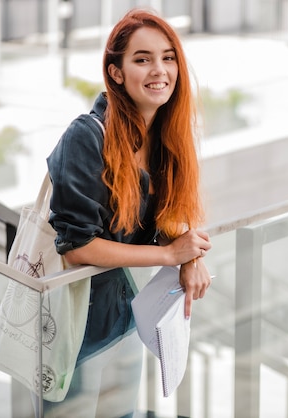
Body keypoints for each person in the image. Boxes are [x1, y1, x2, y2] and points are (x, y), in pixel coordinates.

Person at [42, 8, 212, 417]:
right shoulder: (86, 136)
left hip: (123, 321)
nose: (160, 70)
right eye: (143, 59)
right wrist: (171, 256)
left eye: (168, 57)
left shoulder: (166, 139)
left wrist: (190, 255)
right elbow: (78, 246)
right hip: (71, 327)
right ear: (115, 72)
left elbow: (170, 217)